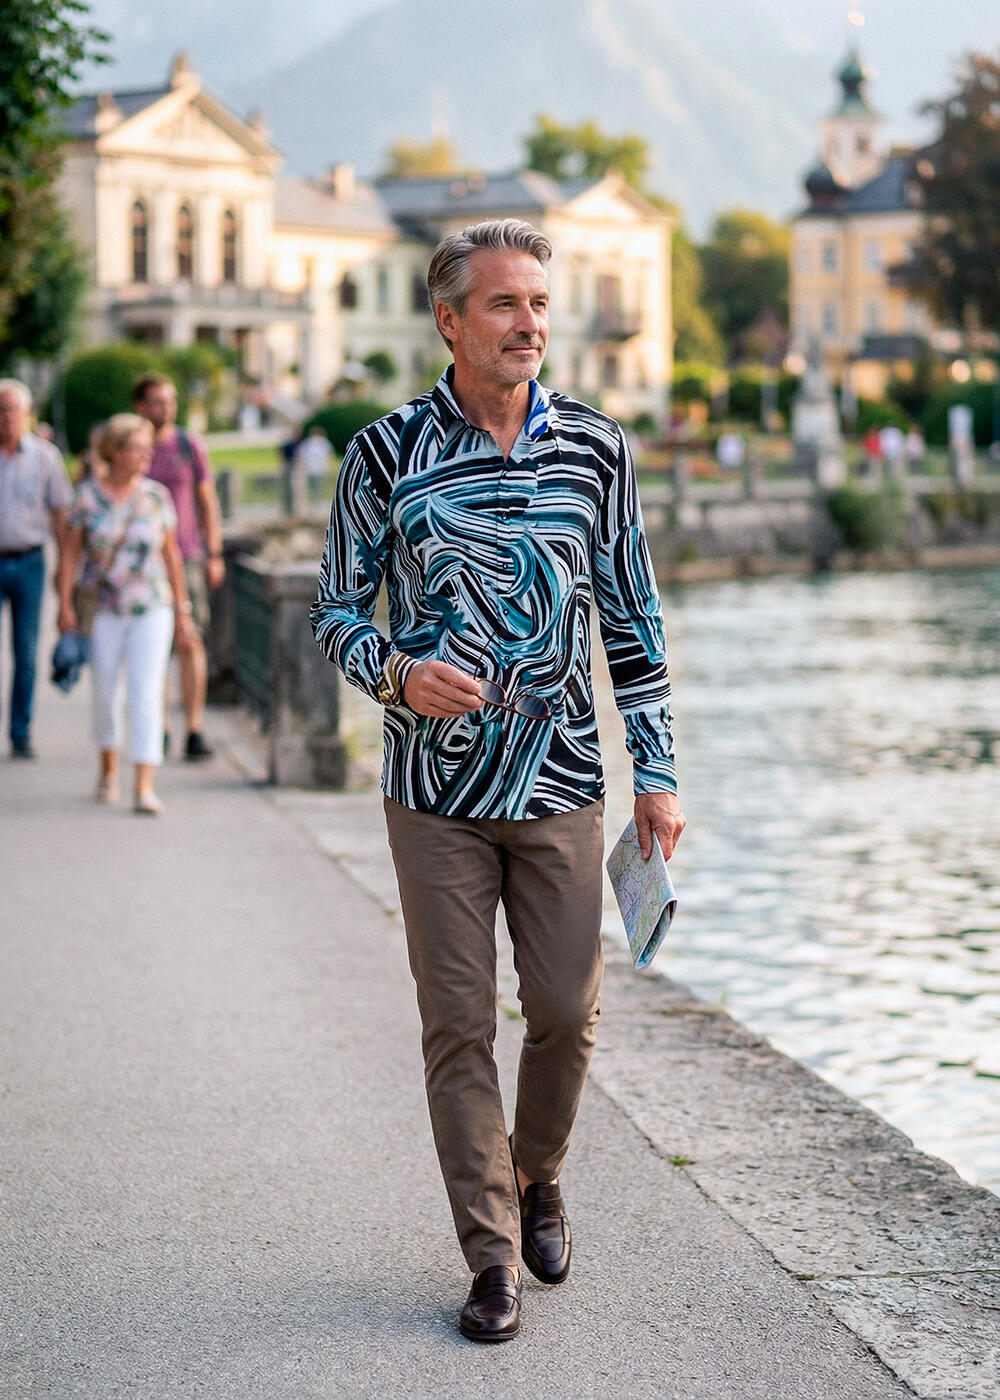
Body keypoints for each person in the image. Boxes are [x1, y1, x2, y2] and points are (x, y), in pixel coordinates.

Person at [311, 220, 685, 1342]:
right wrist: (391, 669)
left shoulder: (596, 449)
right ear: (449, 318)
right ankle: (488, 1258)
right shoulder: (382, 453)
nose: (530, 323)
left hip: (566, 782)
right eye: (504, 305)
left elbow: (633, 617)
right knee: (458, 1023)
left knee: (567, 1014)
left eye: (539, 303)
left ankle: (538, 1175)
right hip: (432, 794)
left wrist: (656, 774)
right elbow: (335, 607)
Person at [57, 414, 195, 814]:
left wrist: (183, 611)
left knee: (146, 692)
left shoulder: (156, 498)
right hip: (102, 608)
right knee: (105, 693)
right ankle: (108, 770)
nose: (147, 454)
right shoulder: (85, 497)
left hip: (152, 606)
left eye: (148, 447)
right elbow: (68, 556)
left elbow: (172, 556)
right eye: (138, 447)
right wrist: (64, 606)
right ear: (115, 452)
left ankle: (144, 785)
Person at [131, 373, 224, 760]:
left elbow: (207, 500)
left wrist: (214, 552)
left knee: (190, 641)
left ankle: (194, 728)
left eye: (169, 400)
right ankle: (161, 726)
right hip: (142, 562)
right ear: (140, 407)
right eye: (156, 402)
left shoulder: (189, 445)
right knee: (153, 647)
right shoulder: (130, 446)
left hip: (186, 555)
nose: (164, 409)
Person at [0, 378, 74, 758]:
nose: (6, 417)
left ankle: (20, 730)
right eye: (1, 410)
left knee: (26, 653)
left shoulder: (45, 458)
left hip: (29, 561)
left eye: (12, 409)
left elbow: (61, 517)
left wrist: (64, 572)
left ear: (27, 415)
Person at [295, 425, 332, 500]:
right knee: (312, 486)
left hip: (320, 468)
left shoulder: (323, 442)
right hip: (310, 468)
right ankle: (314, 499)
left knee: (319, 485)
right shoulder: (307, 443)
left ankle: (319, 498)